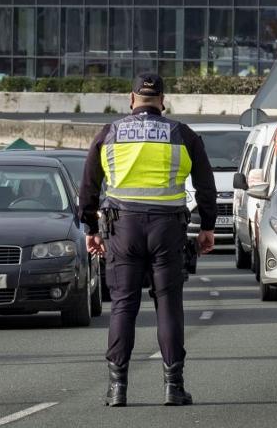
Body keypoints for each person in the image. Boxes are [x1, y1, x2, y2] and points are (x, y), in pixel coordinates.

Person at [80, 73, 216, 408]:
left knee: (124, 306)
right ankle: (173, 387)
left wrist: (90, 229)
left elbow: (88, 186)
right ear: (163, 101)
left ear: (131, 99)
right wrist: (207, 227)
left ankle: (117, 390)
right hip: (167, 228)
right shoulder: (182, 134)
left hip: (122, 227)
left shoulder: (109, 133)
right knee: (168, 305)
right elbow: (205, 185)